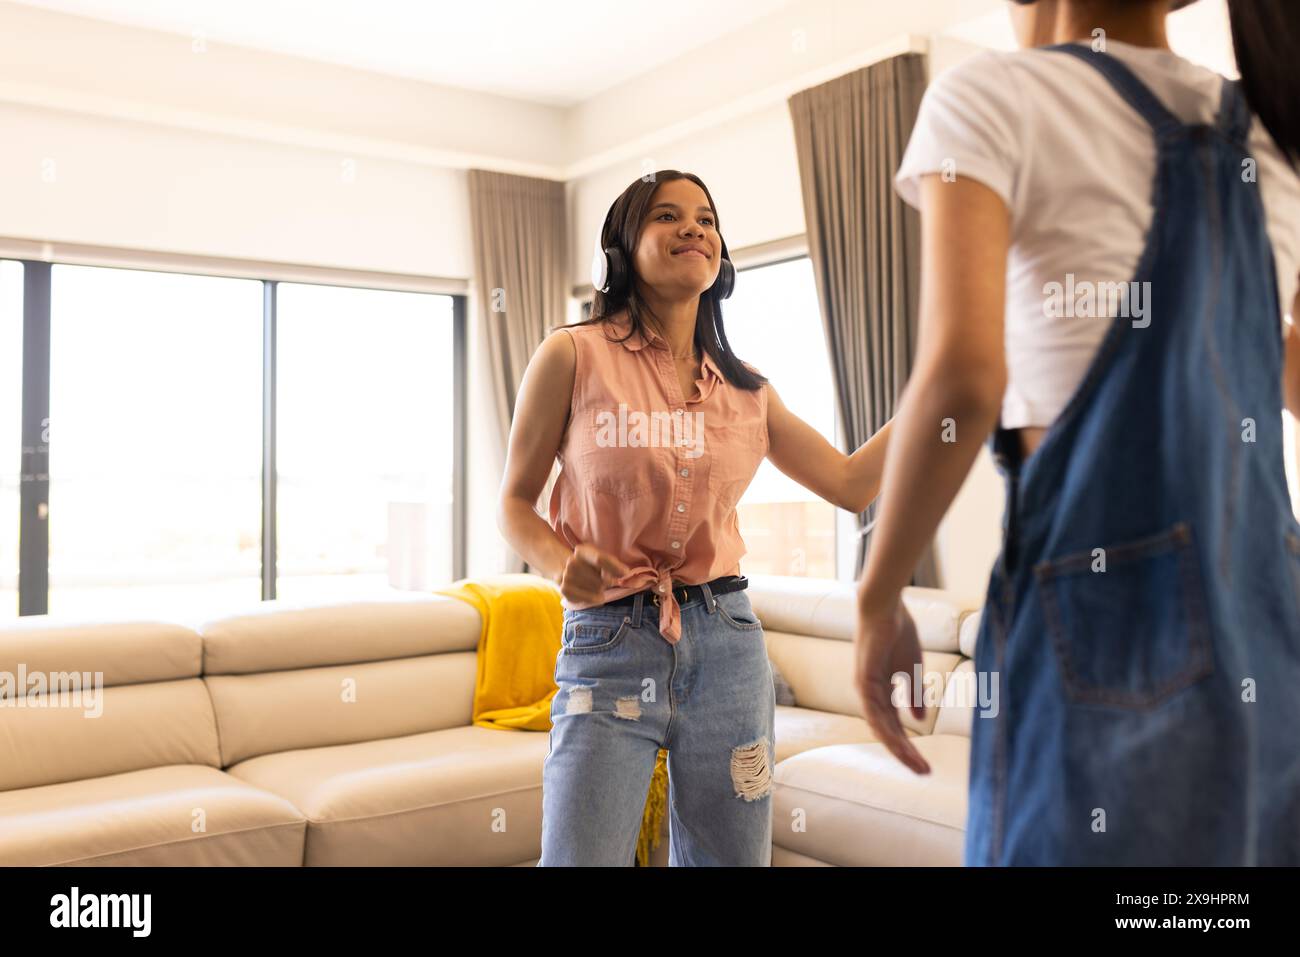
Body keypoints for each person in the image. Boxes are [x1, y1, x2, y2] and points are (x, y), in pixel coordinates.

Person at [853, 0, 1300, 865]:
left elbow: (962, 377)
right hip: (1269, 610)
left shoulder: (992, 97)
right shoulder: (1272, 136)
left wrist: (879, 594)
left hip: (1105, 611)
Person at [498, 169, 892, 865]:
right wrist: (564, 564)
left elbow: (853, 482)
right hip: (608, 646)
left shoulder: (748, 390)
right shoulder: (570, 355)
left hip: (730, 647)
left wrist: (945, 399)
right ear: (620, 251)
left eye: (706, 219)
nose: (694, 228)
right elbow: (513, 503)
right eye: (668, 216)